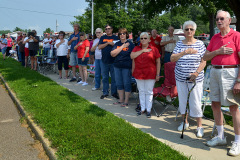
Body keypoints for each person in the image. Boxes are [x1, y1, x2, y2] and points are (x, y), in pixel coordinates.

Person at [203, 10, 240, 156]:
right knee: (215, 104)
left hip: (231, 73)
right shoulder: (215, 38)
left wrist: (238, 81)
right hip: (215, 71)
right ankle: (220, 136)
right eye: (217, 19)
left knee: (233, 107)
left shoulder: (237, 36)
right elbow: (206, 57)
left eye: (222, 19)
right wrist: (218, 51)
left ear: (229, 20)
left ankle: (237, 141)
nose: (219, 21)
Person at [171, 20, 206, 137]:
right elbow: (172, 58)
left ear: (195, 31)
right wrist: (185, 52)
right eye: (187, 29)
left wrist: (196, 73)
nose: (189, 31)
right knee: (183, 100)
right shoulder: (180, 44)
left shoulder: (200, 44)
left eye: (191, 29)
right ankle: (184, 122)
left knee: (195, 102)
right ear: (184, 32)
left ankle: (199, 126)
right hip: (181, 78)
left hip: (195, 79)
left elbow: (204, 61)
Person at [130, 32, 161, 118]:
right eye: (141, 38)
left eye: (145, 38)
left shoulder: (154, 49)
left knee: (149, 92)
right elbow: (132, 56)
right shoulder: (136, 48)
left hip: (150, 73)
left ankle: (148, 109)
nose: (143, 40)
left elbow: (158, 62)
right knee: (141, 91)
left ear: (149, 39)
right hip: (139, 73)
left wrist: (158, 74)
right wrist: (143, 50)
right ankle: (142, 108)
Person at [111, 28, 135, 107]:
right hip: (117, 66)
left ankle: (126, 101)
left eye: (124, 33)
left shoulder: (130, 44)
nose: (122, 35)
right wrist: (122, 46)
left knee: (126, 83)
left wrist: (133, 68)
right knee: (119, 83)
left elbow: (133, 57)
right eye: (120, 34)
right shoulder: (117, 44)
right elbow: (112, 54)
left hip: (126, 67)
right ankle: (121, 99)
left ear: (126, 35)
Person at [98, 24, 119, 99]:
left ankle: (114, 93)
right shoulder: (103, 37)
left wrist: (112, 43)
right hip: (104, 61)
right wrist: (107, 43)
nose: (107, 30)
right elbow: (99, 47)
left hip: (114, 61)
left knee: (114, 78)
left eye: (109, 28)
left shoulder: (116, 37)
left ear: (112, 29)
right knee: (104, 78)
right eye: (106, 29)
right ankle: (105, 92)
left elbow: (117, 46)